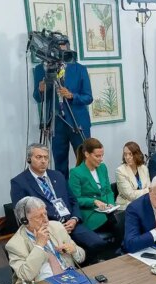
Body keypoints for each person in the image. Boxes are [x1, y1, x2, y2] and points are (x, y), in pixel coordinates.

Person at [11, 144, 107, 252]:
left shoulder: (58, 175)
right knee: (63, 254)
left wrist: (74, 219)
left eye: (46, 157)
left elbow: (73, 200)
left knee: (98, 243)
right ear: (29, 159)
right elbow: (22, 216)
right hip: (48, 229)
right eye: (39, 157)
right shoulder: (19, 183)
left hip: (71, 224)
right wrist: (54, 227)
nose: (43, 161)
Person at [32, 35, 91, 178]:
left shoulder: (79, 69)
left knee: (85, 161)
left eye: (65, 49)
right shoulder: (40, 69)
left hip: (78, 122)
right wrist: (40, 90)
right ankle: (62, 189)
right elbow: (37, 97)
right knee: (60, 164)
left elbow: (88, 97)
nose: (62, 53)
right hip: (55, 124)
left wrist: (72, 96)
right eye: (59, 50)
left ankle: (84, 190)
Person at [6, 196, 85, 284]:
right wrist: (39, 246)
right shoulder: (14, 244)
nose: (46, 220)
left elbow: (81, 257)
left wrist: (74, 250)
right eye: (39, 217)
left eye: (45, 214)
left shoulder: (56, 227)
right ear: (24, 221)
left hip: (70, 278)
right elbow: (26, 275)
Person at [67, 138, 116, 233]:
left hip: (107, 210)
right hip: (90, 213)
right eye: (97, 156)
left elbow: (108, 191)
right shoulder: (76, 173)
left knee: (126, 217)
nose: (101, 159)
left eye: (102, 155)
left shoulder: (102, 167)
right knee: (118, 223)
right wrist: (94, 201)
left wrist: (111, 204)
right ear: (87, 154)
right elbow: (75, 199)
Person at [115, 141, 151, 207]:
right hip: (127, 205)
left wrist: (149, 190)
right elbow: (130, 195)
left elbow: (150, 188)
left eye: (130, 154)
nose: (127, 157)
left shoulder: (144, 168)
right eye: (125, 154)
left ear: (137, 154)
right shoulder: (120, 171)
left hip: (143, 202)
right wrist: (147, 190)